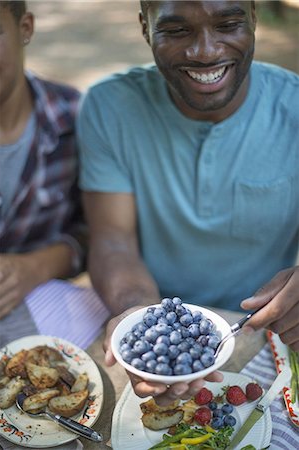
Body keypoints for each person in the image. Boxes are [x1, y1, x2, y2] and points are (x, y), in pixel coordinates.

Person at [77, 0, 299, 405]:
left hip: (267, 331)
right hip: (152, 308)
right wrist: (139, 317)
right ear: (145, 29)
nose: (205, 51)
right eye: (177, 31)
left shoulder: (294, 109)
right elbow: (112, 241)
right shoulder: (108, 107)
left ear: (253, 18)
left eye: (228, 24)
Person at [0, 1, 85, 320]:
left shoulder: (73, 117)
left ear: (25, 29)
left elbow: (98, 234)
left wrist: (34, 268)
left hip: (45, 319)